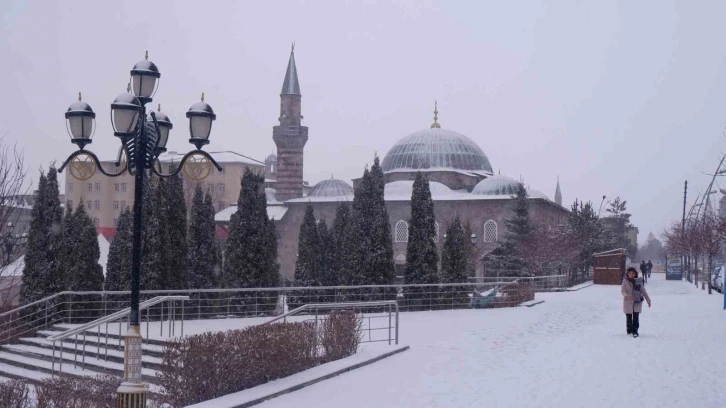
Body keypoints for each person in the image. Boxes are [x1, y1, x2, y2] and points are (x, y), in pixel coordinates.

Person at [622, 267, 651, 338]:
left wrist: (648, 300)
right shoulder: (625, 281)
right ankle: (629, 330)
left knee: (636, 316)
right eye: (630, 273)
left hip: (637, 301)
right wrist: (626, 295)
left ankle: (635, 331)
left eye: (633, 273)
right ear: (627, 274)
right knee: (628, 317)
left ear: (635, 274)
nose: (631, 275)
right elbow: (623, 290)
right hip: (628, 301)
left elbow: (643, 291)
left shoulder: (639, 281)